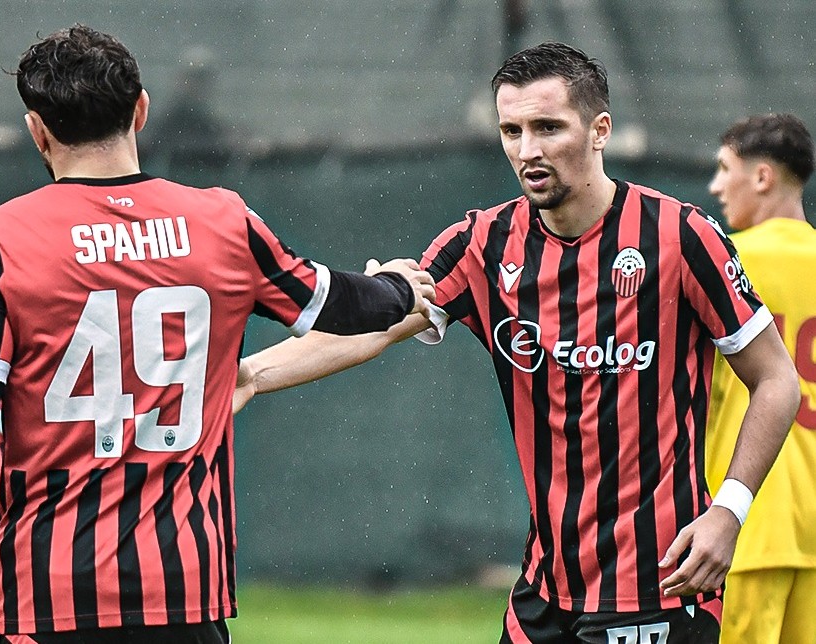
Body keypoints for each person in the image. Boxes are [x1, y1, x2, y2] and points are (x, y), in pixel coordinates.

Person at [0, 25, 435, 644]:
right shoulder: (222, 220)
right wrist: (397, 288)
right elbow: (341, 305)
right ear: (141, 111)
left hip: (50, 593)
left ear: (37, 131)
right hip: (183, 591)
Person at [233, 42, 801, 643]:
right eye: (512, 130)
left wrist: (728, 512)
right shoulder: (483, 243)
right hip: (544, 592)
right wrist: (249, 375)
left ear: (600, 130)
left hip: (657, 585)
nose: (527, 150)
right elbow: (374, 328)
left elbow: (776, 379)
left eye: (548, 127)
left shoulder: (680, 236)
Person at [705, 113, 816, 644]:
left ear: (763, 177)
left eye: (725, 169)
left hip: (744, 520)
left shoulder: (727, 262)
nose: (716, 186)